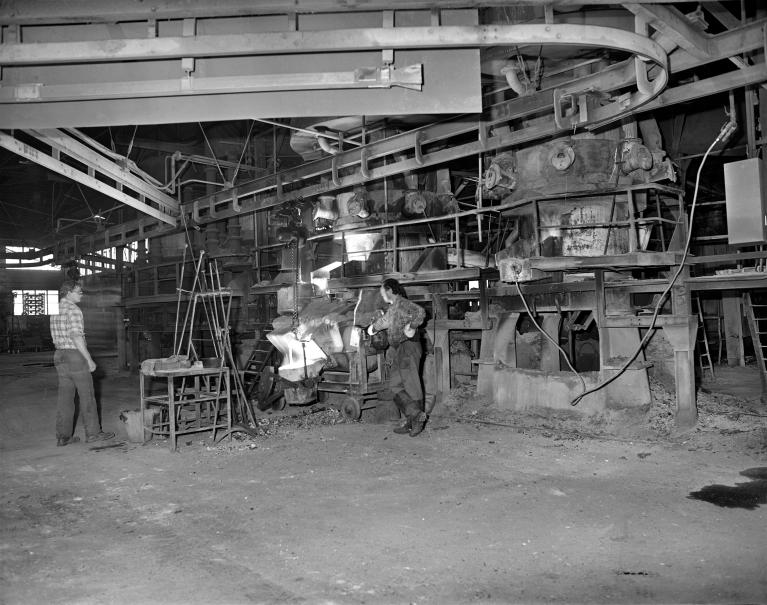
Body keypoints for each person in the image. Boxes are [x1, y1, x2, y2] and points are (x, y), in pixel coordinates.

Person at [50, 280, 114, 446]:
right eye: (78, 292)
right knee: (87, 396)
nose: (81, 294)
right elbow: (76, 336)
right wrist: (89, 359)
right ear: (68, 292)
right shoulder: (74, 310)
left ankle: (63, 436)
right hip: (74, 356)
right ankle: (93, 433)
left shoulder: (55, 309)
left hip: (59, 355)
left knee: (65, 397)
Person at [368, 278, 428, 436]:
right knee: (395, 385)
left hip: (409, 346)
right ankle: (413, 417)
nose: (382, 295)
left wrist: (412, 326)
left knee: (412, 385)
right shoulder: (393, 308)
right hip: (399, 349)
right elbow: (385, 321)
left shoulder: (403, 303)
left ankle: (416, 423)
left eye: (382, 292)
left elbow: (420, 312)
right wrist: (372, 328)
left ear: (389, 290)